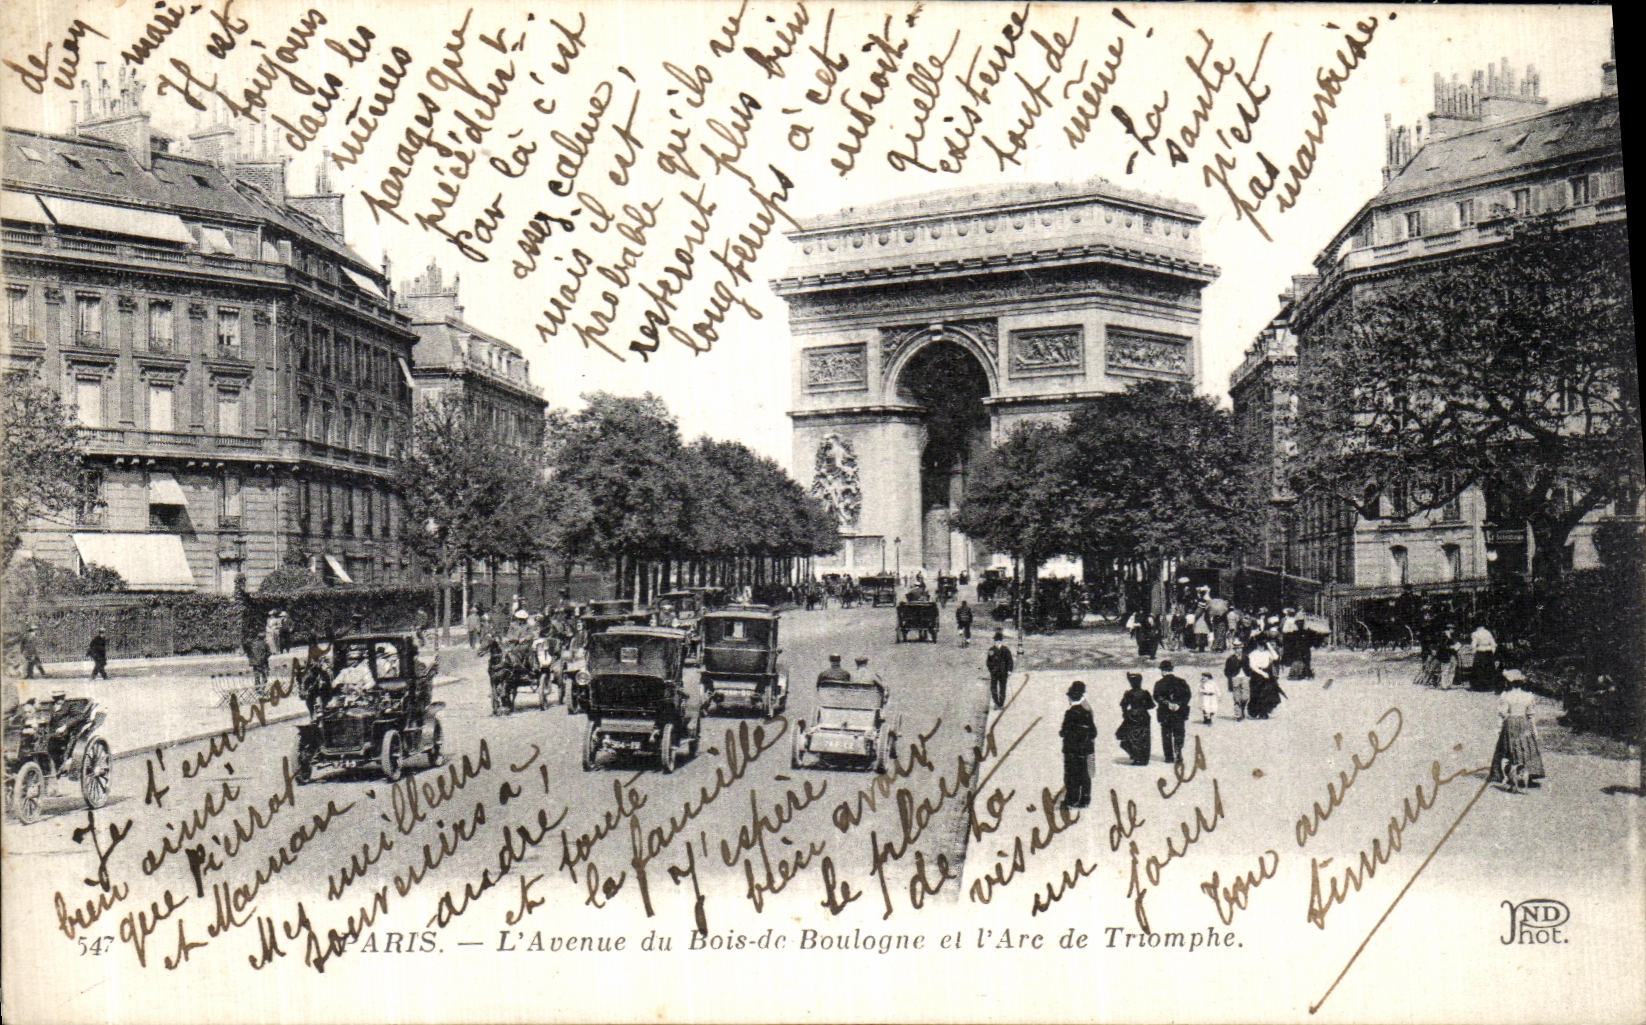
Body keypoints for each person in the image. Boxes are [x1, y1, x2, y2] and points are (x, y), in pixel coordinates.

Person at [1489, 685, 1546, 793]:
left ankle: (1510, 779)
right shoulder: (1528, 696)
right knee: (1526, 749)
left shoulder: (1506, 696)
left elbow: (1503, 714)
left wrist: (1499, 727)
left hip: (1510, 724)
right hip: (1524, 723)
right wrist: (1534, 730)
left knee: (1510, 750)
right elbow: (1530, 715)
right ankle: (1527, 778)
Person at [1059, 681, 1097, 809]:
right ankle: (1085, 799)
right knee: (1085, 774)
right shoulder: (1086, 711)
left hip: (1072, 750)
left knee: (1071, 775)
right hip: (1086, 749)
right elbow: (1093, 732)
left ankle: (1071, 799)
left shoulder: (1069, 713)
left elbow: (1063, 732)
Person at [1153, 660, 1192, 765]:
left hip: (1165, 713)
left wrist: (1167, 704)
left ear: (1163, 671)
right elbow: (1187, 695)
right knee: (1179, 732)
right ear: (1171, 670)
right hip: (1179, 712)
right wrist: (1179, 704)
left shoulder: (1159, 683)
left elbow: (1156, 697)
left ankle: (1168, 756)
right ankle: (1178, 750)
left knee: (1166, 734)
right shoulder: (1181, 682)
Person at [1116, 672, 1155, 766]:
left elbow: (1123, 705)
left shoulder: (1129, 693)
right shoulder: (1145, 693)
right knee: (1143, 738)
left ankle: (1136, 756)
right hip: (1144, 716)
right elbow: (1151, 705)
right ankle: (1143, 758)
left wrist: (1126, 713)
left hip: (1132, 716)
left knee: (1132, 737)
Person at [1246, 637, 1283, 718]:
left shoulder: (1267, 653)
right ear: (1257, 645)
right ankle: (1256, 711)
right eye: (1260, 645)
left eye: (1263, 645)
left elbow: (1276, 657)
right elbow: (1253, 666)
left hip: (1267, 673)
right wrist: (1262, 673)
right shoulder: (1253, 654)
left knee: (1267, 693)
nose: (1261, 647)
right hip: (1256, 675)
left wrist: (1269, 645)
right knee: (1257, 694)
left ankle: (1264, 712)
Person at [986, 630, 1014, 709]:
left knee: (1002, 688)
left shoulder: (1005, 650)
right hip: (994, 672)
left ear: (1001, 641)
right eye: (995, 640)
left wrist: (1009, 670)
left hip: (1003, 672)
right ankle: (996, 703)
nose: (996, 642)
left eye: (998, 641)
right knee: (993, 688)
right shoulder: (991, 650)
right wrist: (991, 669)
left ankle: (1001, 704)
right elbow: (988, 661)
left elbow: (1010, 661)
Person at [1470, 623, 1500, 691]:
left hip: (1480, 651)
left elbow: (1473, 645)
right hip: (1488, 652)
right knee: (1489, 668)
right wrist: (1492, 651)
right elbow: (1494, 644)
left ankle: (1479, 686)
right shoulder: (1488, 633)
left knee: (1479, 669)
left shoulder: (1475, 633)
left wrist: (1474, 652)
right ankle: (1489, 686)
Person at [1224, 646, 1249, 722]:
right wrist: (1231, 677)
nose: (1238, 650)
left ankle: (1242, 708)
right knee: (1236, 696)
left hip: (1245, 677)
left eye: (1239, 648)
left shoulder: (1246, 657)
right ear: (1234, 650)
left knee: (1245, 696)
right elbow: (1226, 670)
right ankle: (1238, 714)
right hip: (1235, 678)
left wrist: (1249, 675)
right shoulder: (1230, 659)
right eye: (1236, 649)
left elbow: (1249, 667)